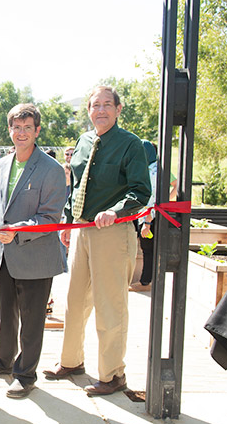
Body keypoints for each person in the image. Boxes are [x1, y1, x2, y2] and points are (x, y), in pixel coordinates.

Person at [44, 85, 150, 396]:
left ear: (119, 109)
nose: (100, 110)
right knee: (75, 302)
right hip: (80, 230)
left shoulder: (132, 145)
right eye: (95, 105)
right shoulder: (83, 142)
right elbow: (75, 186)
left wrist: (115, 211)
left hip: (112, 234)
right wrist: (67, 221)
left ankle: (113, 375)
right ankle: (72, 362)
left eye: (107, 104)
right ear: (89, 111)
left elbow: (140, 191)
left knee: (109, 306)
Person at [0, 104, 66, 398]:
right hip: (3, 257)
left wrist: (17, 229)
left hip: (36, 257)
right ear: (9, 130)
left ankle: (25, 374)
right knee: (4, 314)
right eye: (16, 128)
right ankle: (3, 361)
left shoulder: (52, 170)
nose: (21, 133)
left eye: (27, 128)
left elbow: (51, 218)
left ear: (37, 131)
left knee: (31, 320)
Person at [130, 141, 178, 292]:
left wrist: (148, 221)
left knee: (148, 249)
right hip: (148, 214)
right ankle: (147, 280)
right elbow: (176, 184)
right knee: (147, 248)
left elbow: (153, 196)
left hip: (149, 216)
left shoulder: (153, 172)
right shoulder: (158, 169)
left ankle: (146, 282)